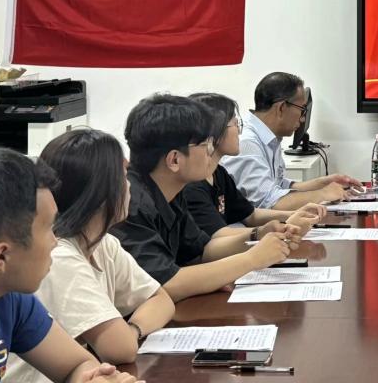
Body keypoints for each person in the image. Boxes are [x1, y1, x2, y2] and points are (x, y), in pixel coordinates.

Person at [0, 148, 140, 383]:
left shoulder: (3, 294)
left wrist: (93, 379)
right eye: (49, 228)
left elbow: (76, 365)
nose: (55, 241)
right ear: (2, 256)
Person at [4, 130, 176, 383]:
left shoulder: (103, 243)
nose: (129, 185)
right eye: (123, 175)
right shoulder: (60, 257)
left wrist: (132, 330)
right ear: (100, 192)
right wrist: (127, 336)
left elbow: (162, 300)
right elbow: (119, 348)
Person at [111, 94, 293, 302]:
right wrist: (252, 259)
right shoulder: (129, 203)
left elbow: (202, 250)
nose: (210, 152)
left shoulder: (171, 190)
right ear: (174, 160)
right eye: (205, 145)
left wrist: (258, 235)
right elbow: (165, 284)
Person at [184, 92, 325, 238]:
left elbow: (250, 215)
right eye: (235, 124)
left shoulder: (218, 173)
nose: (240, 131)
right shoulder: (192, 185)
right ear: (215, 131)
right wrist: (276, 229)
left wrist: (295, 214)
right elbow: (218, 234)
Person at [222, 73, 362, 210]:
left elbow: (279, 185)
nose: (302, 119)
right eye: (302, 110)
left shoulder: (269, 136)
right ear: (281, 108)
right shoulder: (247, 143)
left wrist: (323, 183)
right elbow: (268, 203)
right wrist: (322, 194)